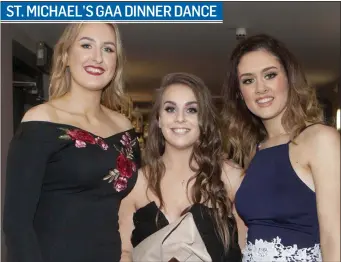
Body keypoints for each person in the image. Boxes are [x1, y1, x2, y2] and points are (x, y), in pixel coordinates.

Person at [3, 23, 141, 262]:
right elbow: (17, 225)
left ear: (115, 63)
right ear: (66, 55)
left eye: (108, 49)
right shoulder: (41, 121)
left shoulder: (124, 127)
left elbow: (131, 202)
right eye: (86, 45)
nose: (97, 57)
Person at [221, 34, 340, 261]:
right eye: (248, 80)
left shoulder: (320, 140)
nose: (260, 88)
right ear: (240, 93)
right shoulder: (254, 151)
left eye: (270, 75)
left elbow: (334, 237)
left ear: (289, 78)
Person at [118, 72, 243, 262]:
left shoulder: (231, 178)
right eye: (170, 109)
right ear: (158, 119)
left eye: (192, 110)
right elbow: (124, 253)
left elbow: (249, 250)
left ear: (204, 119)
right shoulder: (137, 183)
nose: (180, 118)